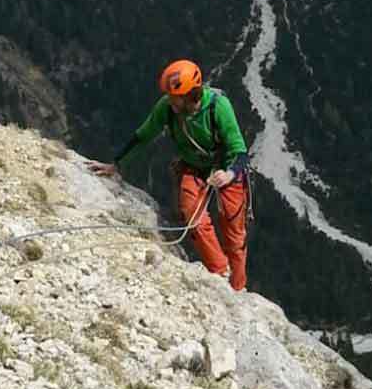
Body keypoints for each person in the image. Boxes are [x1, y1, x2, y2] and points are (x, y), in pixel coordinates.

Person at [92, 59, 252, 291]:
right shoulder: (167, 107)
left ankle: (238, 288)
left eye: (175, 96)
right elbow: (143, 135)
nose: (170, 100)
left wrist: (228, 174)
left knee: (234, 235)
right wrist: (116, 165)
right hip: (194, 167)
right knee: (192, 216)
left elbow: (240, 152)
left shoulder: (219, 107)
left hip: (228, 168)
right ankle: (219, 271)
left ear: (192, 95)